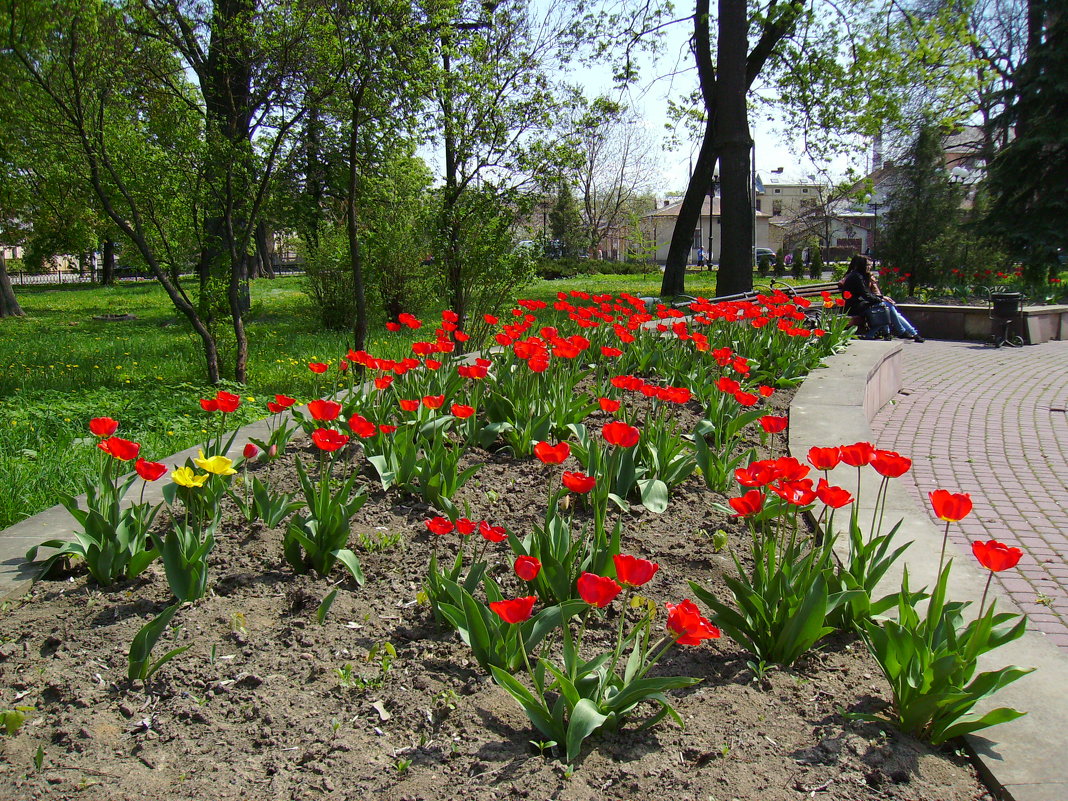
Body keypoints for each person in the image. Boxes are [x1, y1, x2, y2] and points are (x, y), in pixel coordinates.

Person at [840, 255, 924, 342]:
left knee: (887, 307)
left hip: (861, 304)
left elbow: (867, 294)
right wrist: (881, 299)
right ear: (862, 265)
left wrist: (881, 298)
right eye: (867, 265)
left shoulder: (861, 276)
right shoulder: (856, 277)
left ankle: (907, 333)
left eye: (870, 265)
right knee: (886, 307)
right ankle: (905, 332)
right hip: (855, 307)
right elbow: (865, 295)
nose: (869, 267)